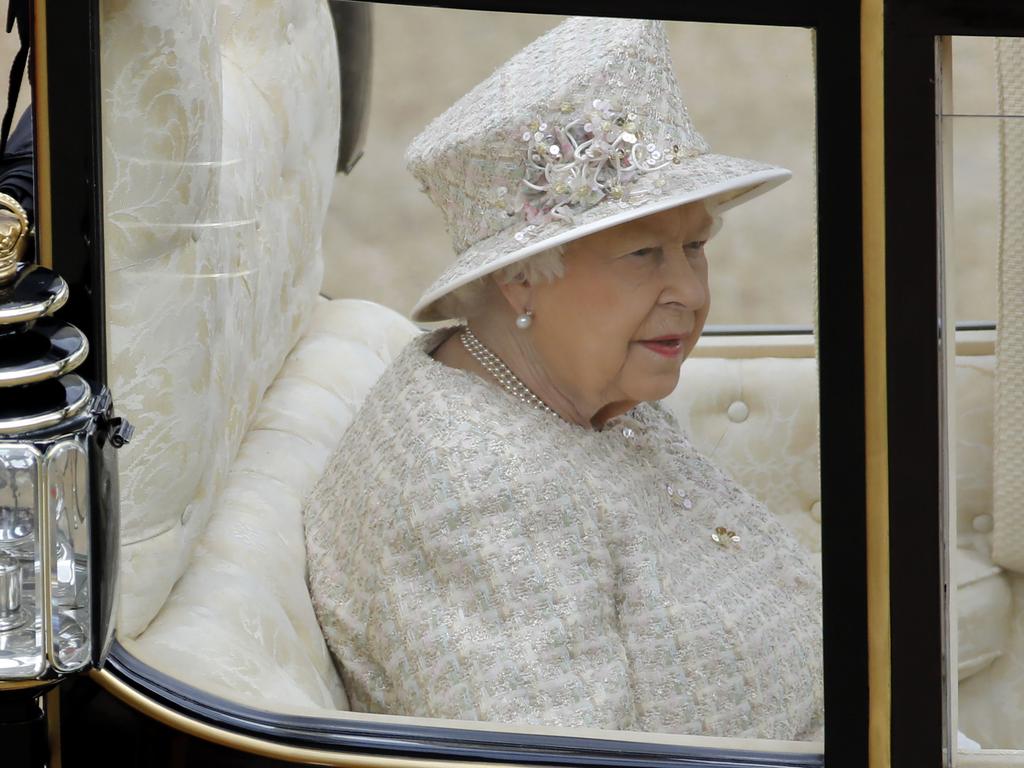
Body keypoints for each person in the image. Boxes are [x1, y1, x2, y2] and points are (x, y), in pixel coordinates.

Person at [304, 15, 823, 740]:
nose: (692, 293)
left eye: (695, 246)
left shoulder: (580, 391)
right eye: (643, 254)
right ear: (521, 281)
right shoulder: (477, 499)